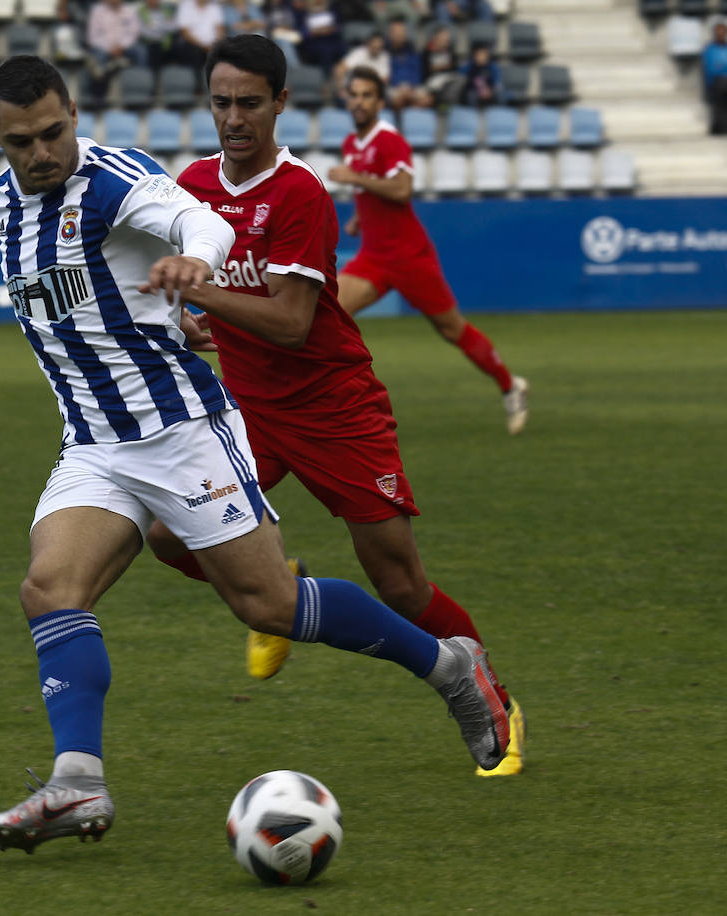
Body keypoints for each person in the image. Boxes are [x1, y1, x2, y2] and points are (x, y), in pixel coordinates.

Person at [0, 53, 511, 853]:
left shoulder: (116, 179)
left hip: (182, 432)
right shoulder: (2, 206)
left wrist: (196, 260)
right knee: (50, 590)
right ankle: (76, 783)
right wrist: (160, 317)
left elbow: (203, 221)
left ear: (75, 113)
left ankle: (449, 667)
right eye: (23, 141)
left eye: (55, 132)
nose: (43, 152)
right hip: (94, 441)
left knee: (268, 606)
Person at [151, 35, 523, 779]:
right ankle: (279, 582)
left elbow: (290, 322)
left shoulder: (300, 194)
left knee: (399, 583)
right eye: (222, 101)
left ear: (280, 103)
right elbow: (222, 307)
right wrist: (196, 325)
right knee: (166, 534)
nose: (234, 117)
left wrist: (201, 294)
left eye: (250, 102)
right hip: (247, 411)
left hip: (334, 407)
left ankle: (495, 699)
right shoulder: (190, 184)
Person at [325, 68, 525, 433]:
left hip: (409, 256)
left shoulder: (389, 140)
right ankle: (341, 404)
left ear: (380, 102)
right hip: (373, 256)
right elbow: (376, 192)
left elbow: (402, 190)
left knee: (452, 330)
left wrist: (354, 179)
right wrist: (358, 217)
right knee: (328, 313)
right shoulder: (352, 143)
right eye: (353, 94)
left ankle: (510, 385)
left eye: (367, 94)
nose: (359, 101)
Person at [85, 0, 144, 101]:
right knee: (97, 58)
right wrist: (110, 48)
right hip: (104, 48)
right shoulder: (97, 11)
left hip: (125, 47)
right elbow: (93, 37)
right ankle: (98, 97)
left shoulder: (129, 10)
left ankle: (140, 90)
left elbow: (134, 32)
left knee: (141, 52)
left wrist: (121, 46)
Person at [386, 18, 432, 108]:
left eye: (402, 33)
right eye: (397, 33)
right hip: (395, 86)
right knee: (396, 101)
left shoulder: (412, 50)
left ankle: (411, 111)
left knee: (428, 100)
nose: (400, 35)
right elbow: (388, 73)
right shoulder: (385, 51)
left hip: (412, 86)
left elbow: (417, 71)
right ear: (390, 34)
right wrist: (400, 87)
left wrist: (411, 87)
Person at [334, 31, 391, 100]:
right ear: (368, 44)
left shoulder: (384, 56)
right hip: (351, 91)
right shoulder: (359, 53)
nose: (376, 49)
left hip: (371, 93)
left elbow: (384, 80)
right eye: (374, 46)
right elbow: (340, 68)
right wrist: (341, 88)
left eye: (378, 48)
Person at [173, 0, 226, 73]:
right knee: (196, 52)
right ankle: (199, 82)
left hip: (212, 43)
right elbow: (185, 32)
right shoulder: (185, 6)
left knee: (222, 50)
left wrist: (216, 44)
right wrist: (204, 46)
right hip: (193, 43)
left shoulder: (214, 7)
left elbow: (220, 29)